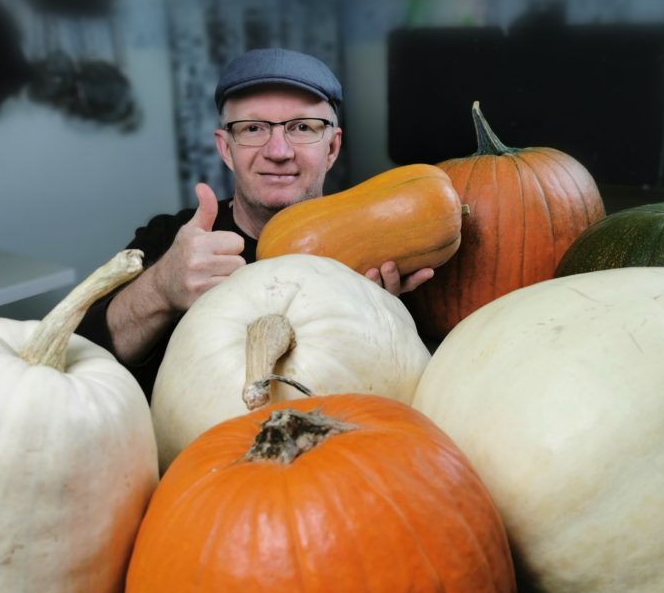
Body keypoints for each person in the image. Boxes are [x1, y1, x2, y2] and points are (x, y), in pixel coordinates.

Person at [77, 47, 434, 398]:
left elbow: (415, 391)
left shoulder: (386, 248)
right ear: (225, 148)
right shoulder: (173, 241)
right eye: (252, 128)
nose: (278, 151)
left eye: (302, 127)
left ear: (332, 148)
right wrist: (159, 290)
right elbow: (74, 359)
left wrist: (386, 321)